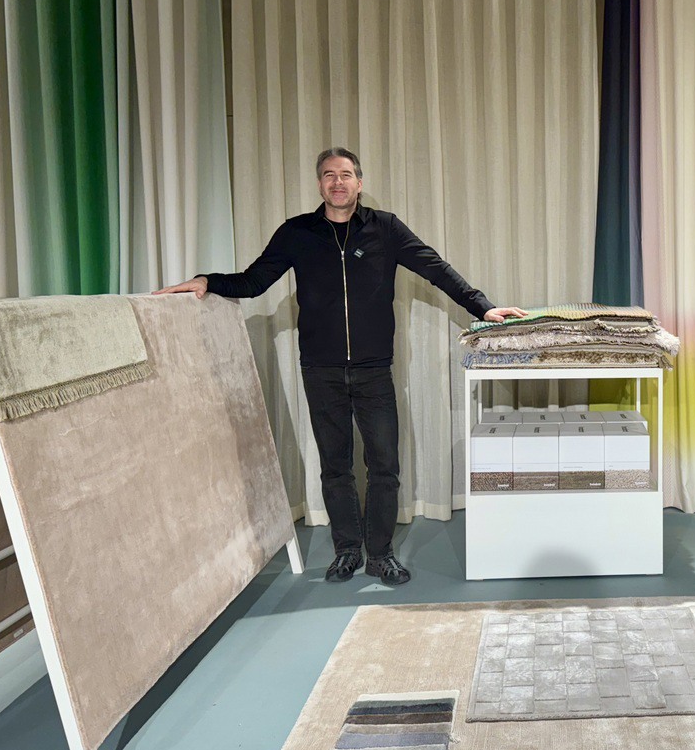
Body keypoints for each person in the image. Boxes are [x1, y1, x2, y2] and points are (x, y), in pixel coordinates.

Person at [155, 147, 526, 584]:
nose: (337, 182)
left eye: (346, 174)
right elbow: (254, 281)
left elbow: (436, 269)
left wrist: (483, 307)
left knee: (384, 466)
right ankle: (347, 551)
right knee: (335, 467)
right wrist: (206, 281)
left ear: (359, 183)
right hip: (321, 370)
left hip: (374, 370)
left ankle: (381, 555)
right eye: (329, 175)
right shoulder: (297, 233)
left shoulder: (385, 228)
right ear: (320, 184)